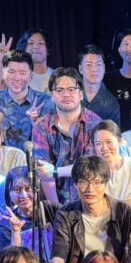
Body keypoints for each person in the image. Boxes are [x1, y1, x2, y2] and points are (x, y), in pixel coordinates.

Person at [51, 156, 131, 263]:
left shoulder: (124, 212)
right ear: (75, 184)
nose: (90, 189)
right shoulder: (66, 214)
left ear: (106, 183)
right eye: (83, 182)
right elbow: (58, 255)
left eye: (97, 183)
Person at [32, 66, 103, 203]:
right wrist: (55, 209)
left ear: (81, 94)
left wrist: (55, 171)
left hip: (89, 198)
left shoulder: (96, 125)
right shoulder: (41, 127)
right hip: (53, 200)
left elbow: (91, 167)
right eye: (59, 90)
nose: (66, 94)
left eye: (71, 89)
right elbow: (44, 172)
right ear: (52, 96)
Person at [0, 49, 55, 150]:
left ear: (31, 76)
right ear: (3, 74)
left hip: (37, 158)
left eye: (22, 73)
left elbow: (52, 142)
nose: (17, 77)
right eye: (11, 72)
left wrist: (37, 124)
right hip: (3, 158)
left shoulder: (44, 102)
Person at [0, 166, 57, 257]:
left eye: (28, 188)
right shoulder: (6, 224)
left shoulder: (50, 209)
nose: (23, 195)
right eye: (17, 190)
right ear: (8, 193)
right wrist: (16, 231)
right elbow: (11, 260)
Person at [93, 120, 131, 208]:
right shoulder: (91, 170)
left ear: (119, 141)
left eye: (109, 142)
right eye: (98, 144)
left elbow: (129, 204)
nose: (104, 148)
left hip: (127, 213)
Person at [104, 29, 131, 129]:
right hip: (111, 133)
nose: (130, 49)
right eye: (125, 44)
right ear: (119, 50)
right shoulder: (106, 79)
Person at [0, 29, 53, 95]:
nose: (36, 46)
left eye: (40, 43)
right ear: (24, 48)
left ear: (48, 48)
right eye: (31, 43)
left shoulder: (55, 75)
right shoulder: (14, 75)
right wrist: (0, 61)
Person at [78, 44, 122, 124]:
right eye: (89, 65)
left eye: (98, 64)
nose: (94, 69)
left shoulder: (112, 103)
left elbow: (114, 131)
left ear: (104, 68)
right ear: (80, 69)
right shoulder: (71, 94)